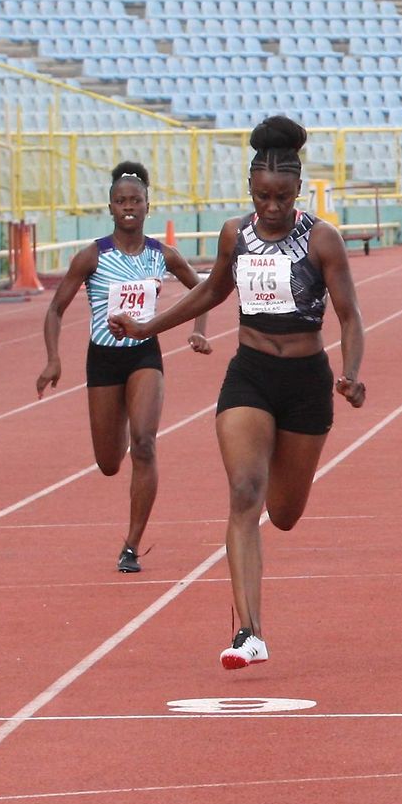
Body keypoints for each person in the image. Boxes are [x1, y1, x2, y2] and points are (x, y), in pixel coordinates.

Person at [110, 116, 367, 669]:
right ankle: (248, 632)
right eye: (261, 196)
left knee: (285, 511)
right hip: (249, 375)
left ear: (299, 191)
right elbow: (210, 292)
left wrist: (353, 373)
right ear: (250, 191)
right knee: (245, 493)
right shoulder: (237, 234)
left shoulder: (322, 239)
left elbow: (349, 315)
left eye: (281, 196)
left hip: (305, 384)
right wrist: (148, 326)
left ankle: (254, 611)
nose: (270, 207)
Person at [36, 161, 212, 573]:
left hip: (143, 356)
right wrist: (53, 358)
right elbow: (55, 309)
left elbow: (205, 289)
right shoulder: (91, 257)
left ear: (148, 205)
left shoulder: (162, 255)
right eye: (121, 201)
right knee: (109, 461)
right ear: (110, 207)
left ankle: (131, 545)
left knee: (145, 443)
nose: (128, 206)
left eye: (135, 200)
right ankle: (120, 460)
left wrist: (199, 331)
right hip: (103, 360)